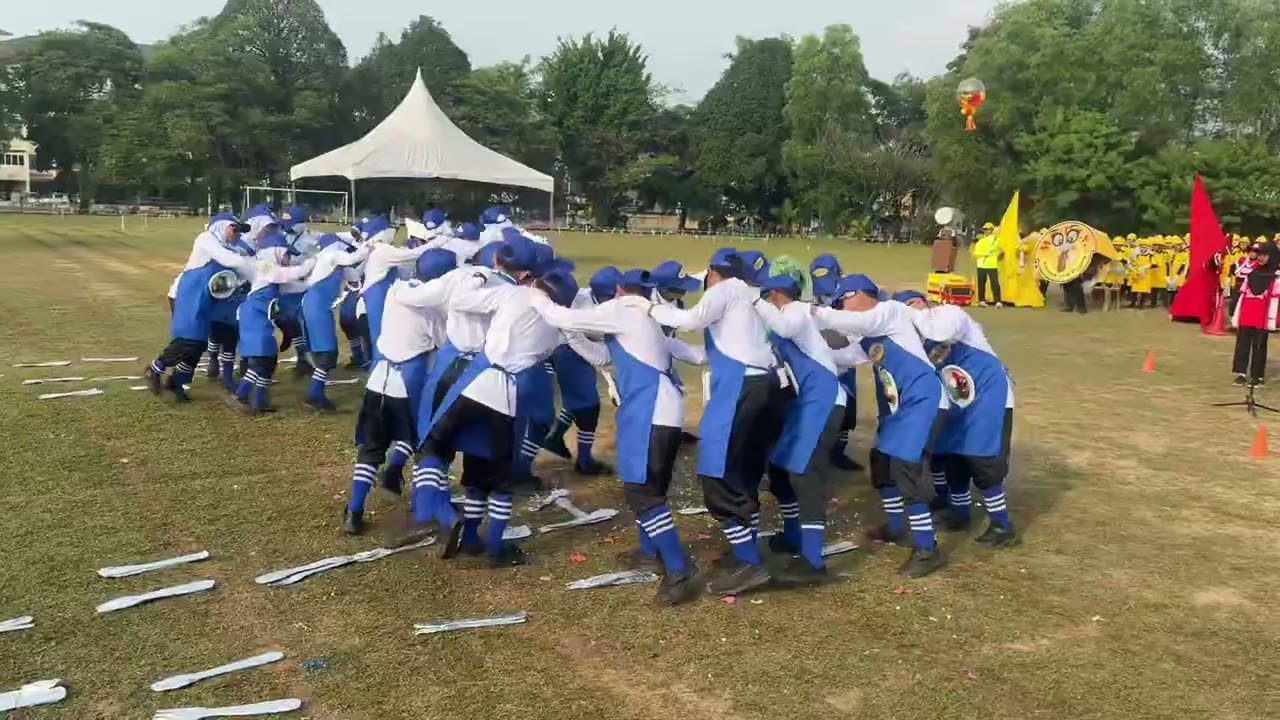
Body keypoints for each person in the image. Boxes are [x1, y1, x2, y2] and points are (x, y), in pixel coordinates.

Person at [527, 268, 706, 606]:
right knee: (648, 487)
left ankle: (679, 568)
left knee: (642, 491)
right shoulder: (643, 315)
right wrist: (574, 335)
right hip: (660, 408)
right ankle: (652, 552)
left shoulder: (621, 310)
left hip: (650, 408)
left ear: (618, 291)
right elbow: (605, 357)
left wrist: (536, 296)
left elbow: (559, 313)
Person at [411, 236, 564, 566]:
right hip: (505, 391)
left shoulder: (486, 286)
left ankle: (440, 513)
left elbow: (454, 298)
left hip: (466, 379)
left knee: (436, 445)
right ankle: (490, 544)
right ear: (529, 273)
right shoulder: (542, 311)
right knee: (497, 474)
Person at [649, 248, 785, 596]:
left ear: (714, 272)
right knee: (743, 471)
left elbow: (693, 319)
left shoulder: (725, 290)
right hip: (765, 384)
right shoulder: (748, 292)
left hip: (740, 386)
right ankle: (747, 552)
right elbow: (699, 284)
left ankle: (749, 564)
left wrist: (650, 308)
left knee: (716, 473)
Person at [811, 275, 949, 578]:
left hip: (925, 400)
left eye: (843, 301)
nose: (841, 308)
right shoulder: (871, 333)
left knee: (906, 468)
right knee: (882, 461)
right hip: (904, 409)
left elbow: (859, 323)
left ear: (859, 294)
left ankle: (928, 549)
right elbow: (846, 356)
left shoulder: (888, 312)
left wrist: (814, 313)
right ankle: (896, 526)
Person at [343, 249, 458, 535]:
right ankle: (426, 502)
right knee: (421, 438)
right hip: (410, 379)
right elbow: (444, 343)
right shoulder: (433, 311)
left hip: (379, 376)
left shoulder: (397, 289)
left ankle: (354, 512)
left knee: (371, 447)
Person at [897, 291, 1017, 548]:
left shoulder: (948, 314)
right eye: (903, 307)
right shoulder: (912, 339)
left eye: (913, 303)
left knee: (983, 459)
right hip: (956, 400)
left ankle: (1002, 524)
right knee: (953, 457)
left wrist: (908, 315)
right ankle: (959, 513)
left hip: (989, 395)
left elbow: (943, 333)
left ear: (925, 302)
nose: (911, 310)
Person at [752, 269, 848, 584]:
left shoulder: (794, 311)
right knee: (780, 466)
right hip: (805, 401)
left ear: (776, 295)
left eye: (767, 296)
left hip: (822, 399)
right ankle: (794, 535)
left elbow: (782, 325)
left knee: (805, 473)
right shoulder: (786, 318)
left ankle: (813, 561)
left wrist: (753, 299)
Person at [144, 213, 252, 401]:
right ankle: (154, 369)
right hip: (185, 294)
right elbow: (232, 262)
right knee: (190, 339)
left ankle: (178, 382)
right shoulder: (206, 239)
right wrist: (256, 267)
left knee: (200, 343)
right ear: (220, 226)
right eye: (234, 229)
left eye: (239, 231)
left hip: (206, 297)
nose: (237, 234)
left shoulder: (230, 249)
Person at [543, 266, 624, 475]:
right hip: (568, 351)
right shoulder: (587, 311)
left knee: (578, 399)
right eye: (618, 292)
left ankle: (554, 436)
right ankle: (585, 461)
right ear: (607, 295)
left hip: (571, 348)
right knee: (589, 408)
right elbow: (593, 351)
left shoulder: (588, 295)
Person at [230, 230, 316, 414]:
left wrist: (312, 283)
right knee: (261, 359)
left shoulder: (273, 274)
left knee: (269, 359)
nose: (289, 258)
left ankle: (260, 401)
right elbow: (293, 274)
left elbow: (294, 286)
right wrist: (314, 262)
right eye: (286, 254)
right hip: (253, 317)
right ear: (275, 251)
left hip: (261, 318)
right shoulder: (266, 267)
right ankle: (241, 395)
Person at [300, 234, 371, 411]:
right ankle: (315, 396)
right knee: (327, 353)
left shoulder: (336, 263)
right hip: (317, 306)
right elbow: (353, 257)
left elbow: (354, 274)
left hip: (319, 306)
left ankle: (316, 393)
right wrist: (370, 246)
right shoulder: (332, 255)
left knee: (327, 352)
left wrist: (368, 259)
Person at [810, 253, 862, 472]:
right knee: (823, 411)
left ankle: (838, 454)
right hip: (823, 361)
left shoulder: (848, 290)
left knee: (847, 412)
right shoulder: (811, 296)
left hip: (846, 358)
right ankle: (819, 454)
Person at [649, 260, 705, 446]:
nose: (686, 291)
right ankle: (656, 434)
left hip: (668, 348)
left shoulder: (674, 298)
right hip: (649, 354)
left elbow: (700, 276)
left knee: (676, 393)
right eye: (682, 287)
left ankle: (674, 430)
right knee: (655, 397)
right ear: (667, 289)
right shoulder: (648, 304)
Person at [1230, 241, 1279, 387]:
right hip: (1246, 314)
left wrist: (1271, 320)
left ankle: (1258, 376)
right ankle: (1241, 373)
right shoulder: (1251, 274)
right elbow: (1243, 296)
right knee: (1242, 344)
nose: (1260, 258)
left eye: (1265, 255)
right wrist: (1236, 316)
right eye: (1259, 254)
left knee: (1259, 346)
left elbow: (1275, 301)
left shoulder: (1276, 278)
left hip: (1262, 317)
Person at [972, 222, 1003, 307]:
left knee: (995, 283)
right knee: (981, 283)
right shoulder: (980, 241)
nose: (986, 231)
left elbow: (1001, 250)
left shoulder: (996, 240)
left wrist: (997, 256)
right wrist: (984, 254)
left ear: (992, 230)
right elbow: (974, 253)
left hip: (992, 265)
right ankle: (981, 300)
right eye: (984, 229)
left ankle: (998, 301)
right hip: (981, 264)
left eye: (988, 229)